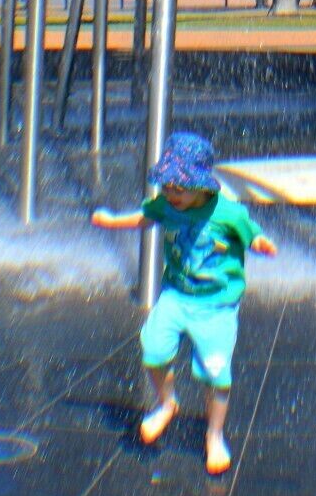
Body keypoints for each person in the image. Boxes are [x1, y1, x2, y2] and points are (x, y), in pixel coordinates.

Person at [91, 130, 275, 477]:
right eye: (168, 186)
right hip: (175, 296)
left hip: (217, 306)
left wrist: (261, 243)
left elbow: (252, 232)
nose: (171, 193)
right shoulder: (166, 205)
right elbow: (145, 217)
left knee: (217, 376)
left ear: (203, 185)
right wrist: (113, 221)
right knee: (154, 350)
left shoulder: (227, 213)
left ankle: (215, 435)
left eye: (179, 187)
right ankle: (166, 403)